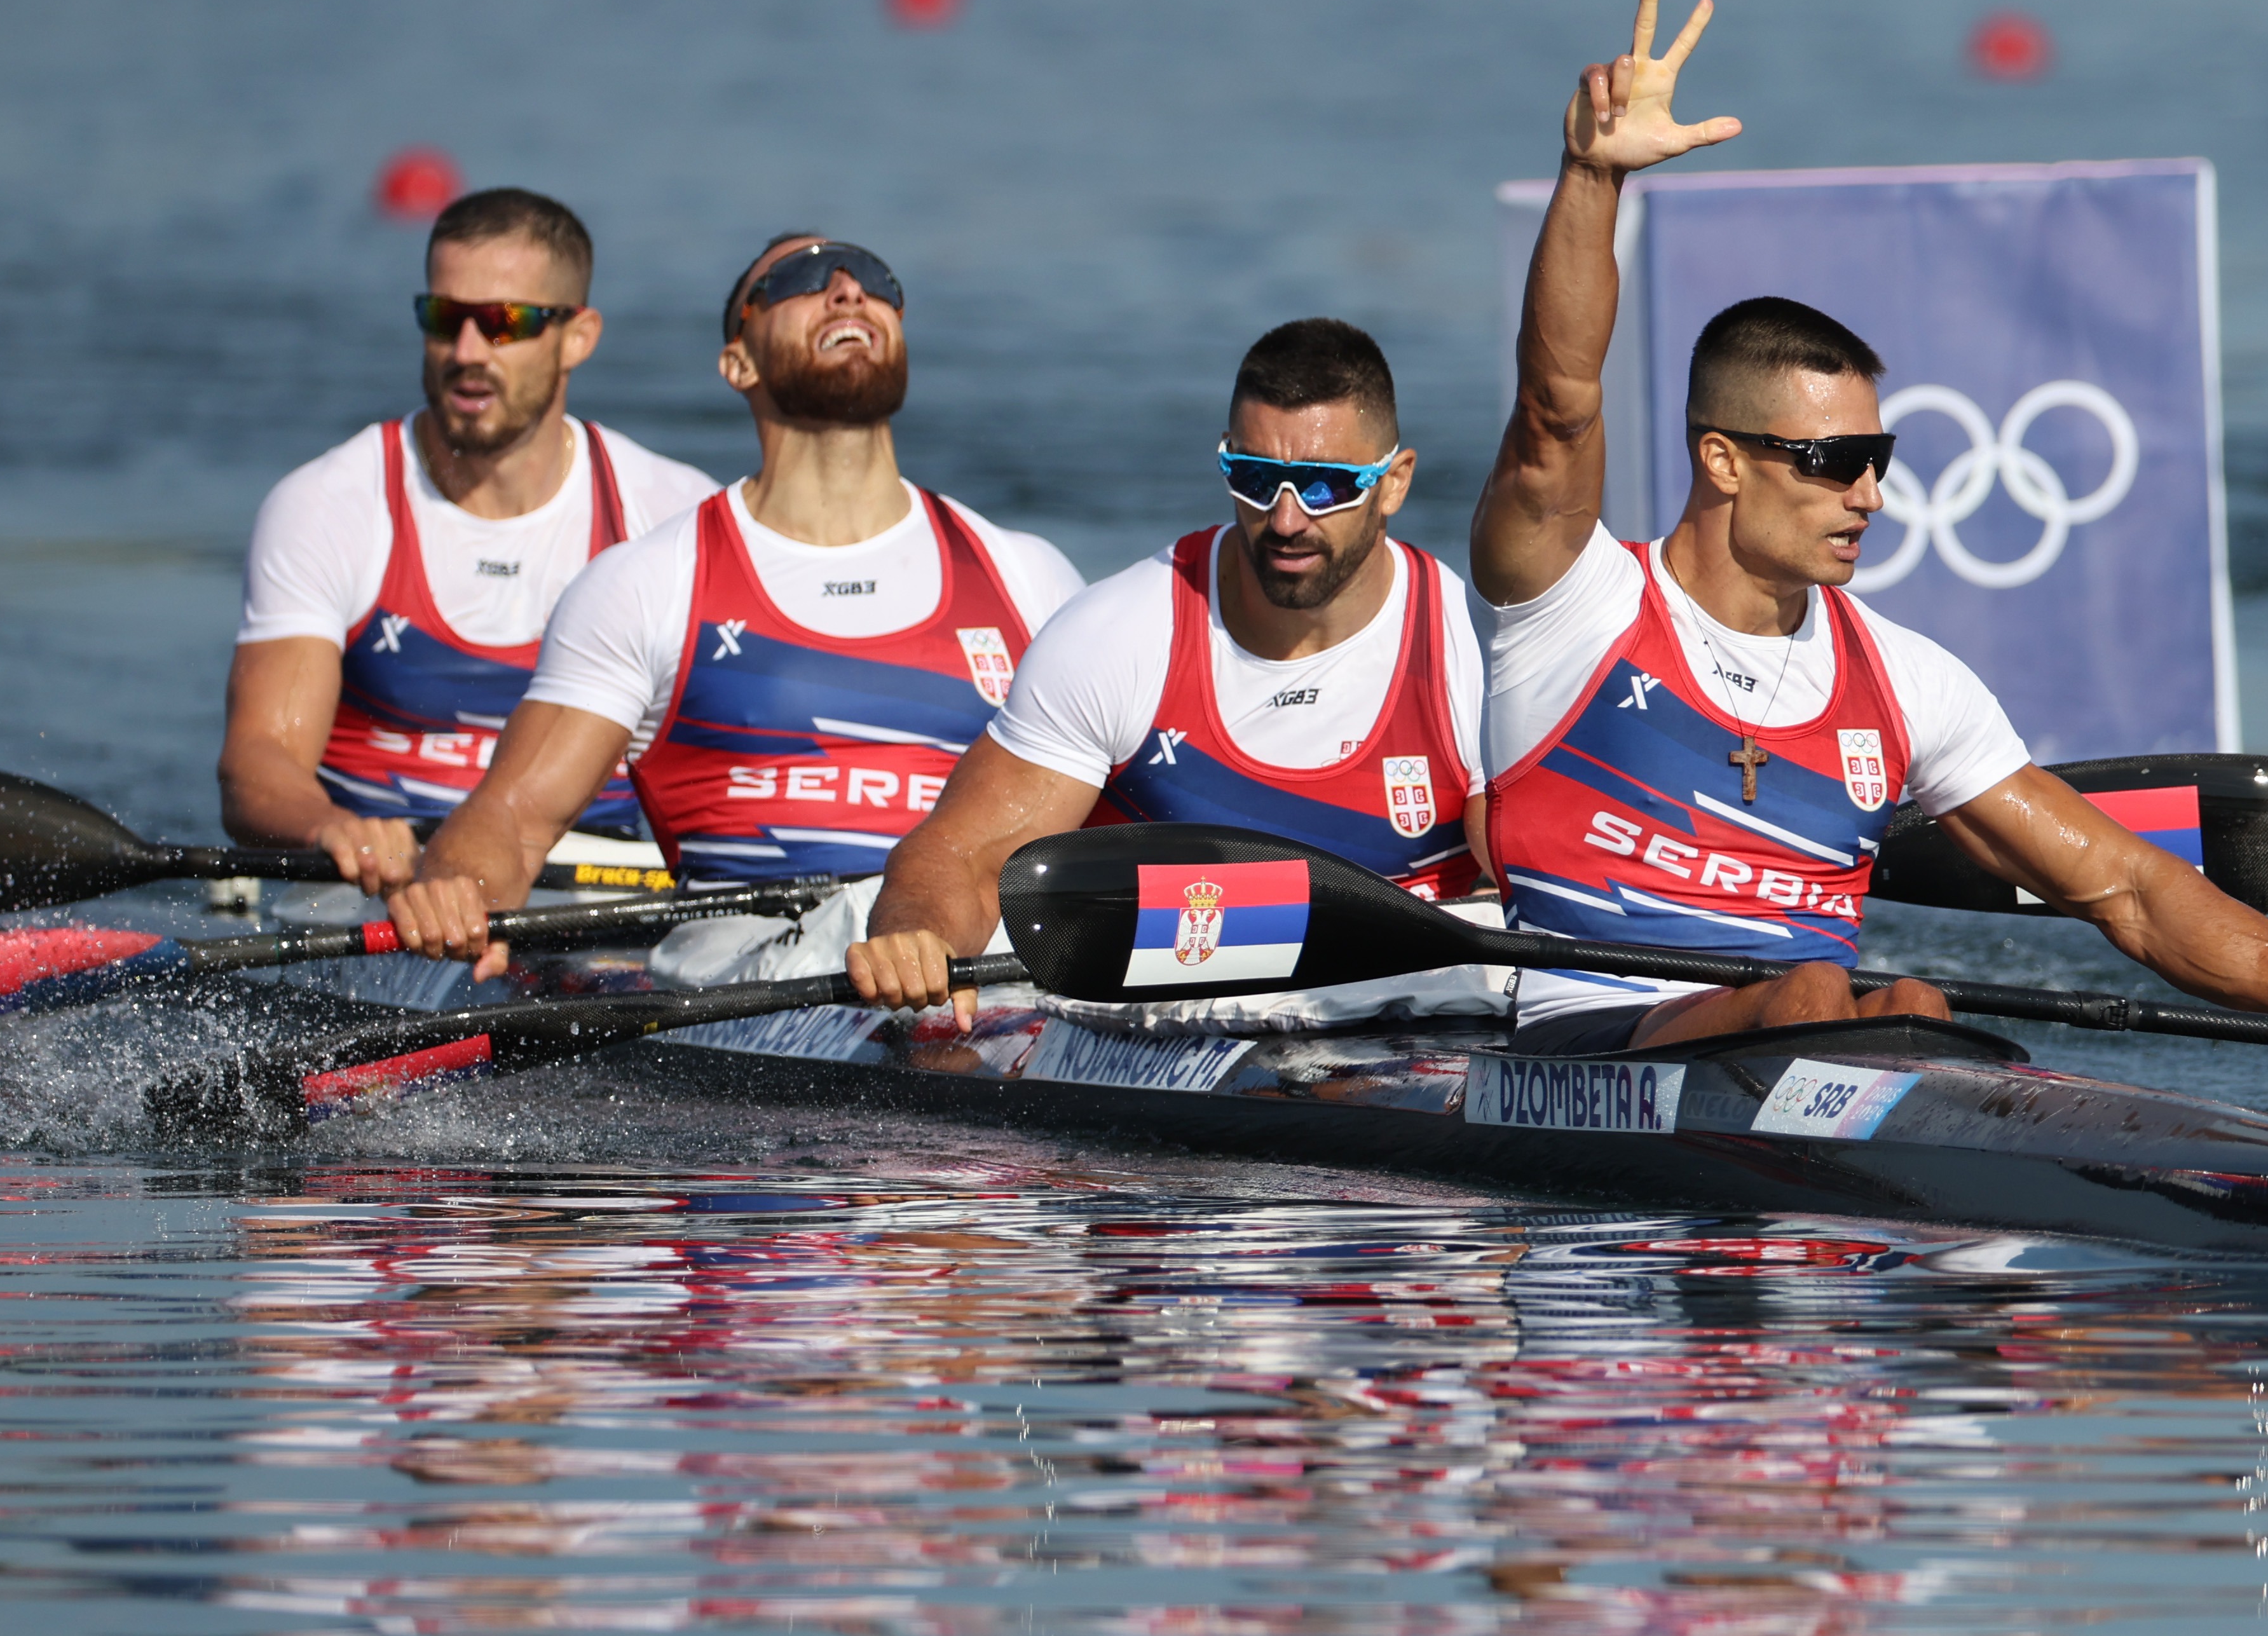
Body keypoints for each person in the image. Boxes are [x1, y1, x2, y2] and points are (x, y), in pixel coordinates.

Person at [1465, 0, 2268, 1081]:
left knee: (1908, 995)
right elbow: (1556, 404)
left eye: (1876, 461)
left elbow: (2127, 884)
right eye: (1832, 463)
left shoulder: (1905, 683)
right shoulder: (1570, 605)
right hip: (1583, 1054)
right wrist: (1593, 176)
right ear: (1721, 459)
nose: (1869, 494)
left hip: (1819, 1051)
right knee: (1830, 990)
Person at [380, 233, 1083, 984]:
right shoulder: (651, 584)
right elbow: (513, 822)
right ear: (737, 361)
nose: (848, 289)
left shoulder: (1027, 576)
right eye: (802, 279)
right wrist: (456, 893)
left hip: (974, 972)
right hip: (745, 973)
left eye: (875, 279)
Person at [842, 317, 1489, 1024]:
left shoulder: (1472, 651)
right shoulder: (1121, 634)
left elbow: (1549, 881)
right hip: (1173, 1026)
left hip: (1412, 1028)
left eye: (1323, 485)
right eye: (1254, 478)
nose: (1284, 519)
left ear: (1394, 483)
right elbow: (963, 857)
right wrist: (917, 938)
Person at [220, 187, 720, 893]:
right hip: (374, 899)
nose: (466, 351)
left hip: (590, 908)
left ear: (579, 336)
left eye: (504, 322)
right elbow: (259, 759)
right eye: (444, 317)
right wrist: (326, 826)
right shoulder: (332, 505)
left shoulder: (671, 514)